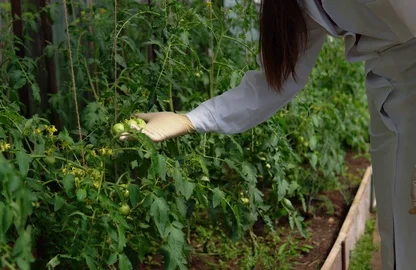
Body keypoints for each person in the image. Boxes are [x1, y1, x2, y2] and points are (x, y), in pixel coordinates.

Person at [131, 0, 416, 269]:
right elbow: (277, 79)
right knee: (397, 224)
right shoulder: (292, 5)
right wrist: (190, 119)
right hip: (387, 90)